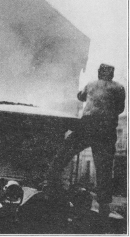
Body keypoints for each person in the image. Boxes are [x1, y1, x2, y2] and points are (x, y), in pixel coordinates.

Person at [48, 64, 125, 217]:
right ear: (112, 74)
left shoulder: (91, 84)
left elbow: (81, 96)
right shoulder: (119, 88)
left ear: (99, 73)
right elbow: (120, 109)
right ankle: (104, 205)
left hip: (88, 124)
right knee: (104, 168)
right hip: (107, 129)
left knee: (64, 153)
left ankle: (49, 183)